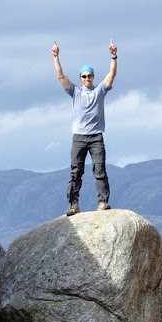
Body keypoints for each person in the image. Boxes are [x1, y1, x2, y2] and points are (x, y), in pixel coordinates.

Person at [51, 39, 118, 216]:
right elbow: (60, 76)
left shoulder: (99, 91)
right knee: (76, 171)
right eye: (84, 76)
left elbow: (111, 75)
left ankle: (103, 202)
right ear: (80, 78)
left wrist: (113, 56)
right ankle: (74, 205)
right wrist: (56, 57)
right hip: (79, 137)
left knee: (100, 170)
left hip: (96, 136)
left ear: (93, 77)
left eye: (89, 76)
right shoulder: (75, 92)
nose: (87, 79)